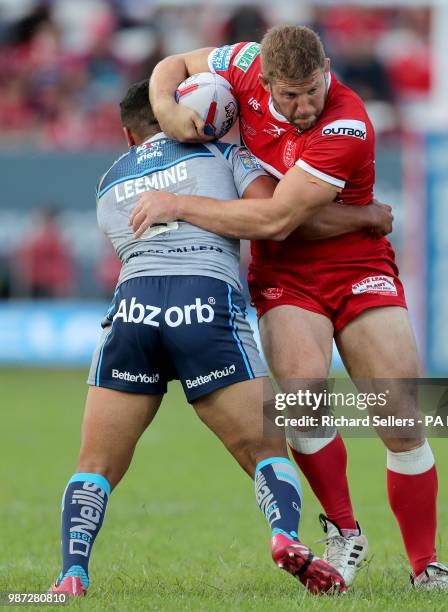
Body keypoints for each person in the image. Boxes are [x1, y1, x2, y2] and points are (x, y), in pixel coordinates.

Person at [143, 25, 448, 592]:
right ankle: (345, 534)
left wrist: (179, 204)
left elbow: (278, 218)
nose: (302, 106)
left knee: (399, 417)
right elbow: (172, 64)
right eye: (289, 95)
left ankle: (427, 568)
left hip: (357, 267)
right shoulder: (244, 61)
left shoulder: (347, 122)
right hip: (285, 274)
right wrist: (167, 112)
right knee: (300, 404)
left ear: (326, 70)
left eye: (312, 91)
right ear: (264, 79)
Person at [49, 79, 393, 597]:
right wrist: (365, 215)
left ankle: (72, 573)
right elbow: (285, 220)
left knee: (95, 464)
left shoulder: (108, 179)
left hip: (133, 309)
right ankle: (285, 539)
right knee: (266, 448)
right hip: (203, 301)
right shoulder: (227, 154)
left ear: (127, 134)